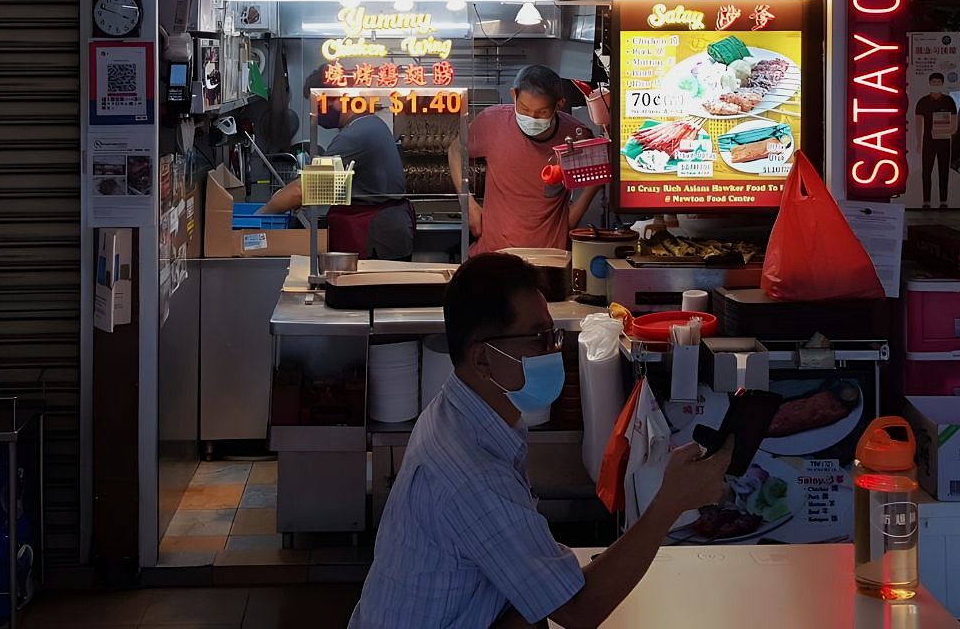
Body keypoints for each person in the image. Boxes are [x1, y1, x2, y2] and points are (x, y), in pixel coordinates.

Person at [349, 253, 732, 629]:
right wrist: (669, 505)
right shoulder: (471, 472)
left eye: (552, 336)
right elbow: (579, 612)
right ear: (482, 359)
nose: (553, 351)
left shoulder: (462, 412)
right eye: (537, 339)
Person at [257, 68, 414, 259]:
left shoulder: (356, 135)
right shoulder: (371, 124)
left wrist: (261, 215)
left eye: (318, 104)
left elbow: (302, 190)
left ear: (339, 99)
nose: (314, 112)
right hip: (387, 231)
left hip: (376, 236)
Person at [449, 65, 603, 254]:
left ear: (559, 104)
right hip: (496, 254)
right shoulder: (491, 122)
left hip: (551, 257)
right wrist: (469, 205)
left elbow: (597, 177)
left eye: (542, 112)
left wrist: (570, 220)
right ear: (514, 95)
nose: (532, 117)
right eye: (524, 109)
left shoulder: (575, 134)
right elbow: (455, 151)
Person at [914, 71, 959, 209]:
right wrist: (919, 143)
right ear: (929, 83)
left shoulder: (949, 101)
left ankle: (943, 201)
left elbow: (954, 125)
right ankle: (926, 201)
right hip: (928, 141)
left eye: (938, 83)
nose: (936, 85)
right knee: (926, 171)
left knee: (943, 170)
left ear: (942, 84)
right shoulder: (922, 102)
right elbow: (918, 124)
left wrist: (943, 131)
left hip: (944, 141)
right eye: (933, 82)